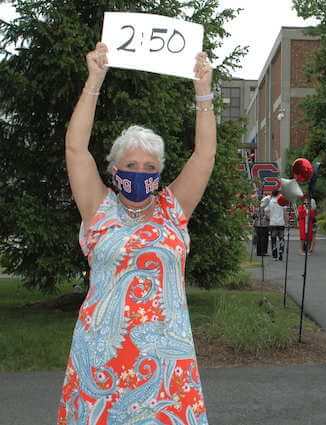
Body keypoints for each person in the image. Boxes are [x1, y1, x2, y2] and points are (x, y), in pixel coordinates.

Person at [58, 43, 213, 424]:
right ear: (114, 170)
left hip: (166, 366)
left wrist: (203, 91)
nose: (140, 172)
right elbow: (76, 148)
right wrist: (94, 79)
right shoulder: (99, 209)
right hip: (101, 360)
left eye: (149, 166)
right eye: (131, 164)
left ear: (160, 172)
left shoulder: (173, 210)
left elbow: (204, 156)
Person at [267, 189, 287, 261]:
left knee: (273, 239)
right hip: (281, 222)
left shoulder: (270, 201)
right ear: (278, 194)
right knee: (281, 238)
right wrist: (287, 222)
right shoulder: (282, 201)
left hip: (273, 223)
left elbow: (267, 212)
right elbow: (285, 213)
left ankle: (274, 256)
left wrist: (270, 218)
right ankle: (281, 252)